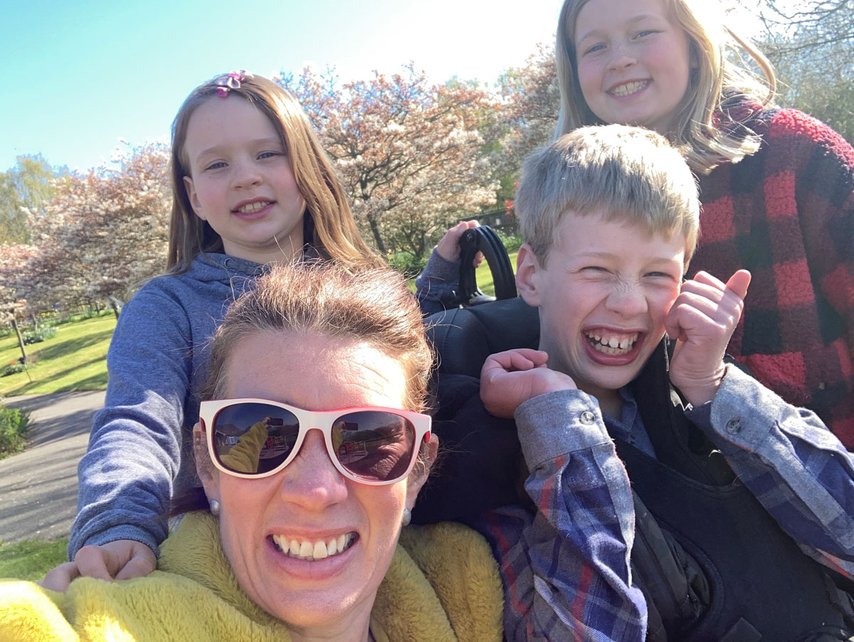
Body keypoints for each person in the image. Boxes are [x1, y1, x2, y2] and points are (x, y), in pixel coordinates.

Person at [418, 125, 854, 640]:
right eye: (598, 269)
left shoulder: (695, 389)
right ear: (531, 276)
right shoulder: (488, 453)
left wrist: (714, 385)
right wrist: (559, 420)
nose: (630, 303)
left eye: (657, 276)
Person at [67, 71, 444, 584]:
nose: (245, 176)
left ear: (307, 166)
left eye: (268, 154)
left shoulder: (372, 289)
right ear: (193, 195)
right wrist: (118, 523)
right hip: (229, 564)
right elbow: (136, 423)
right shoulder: (166, 306)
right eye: (217, 164)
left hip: (369, 553)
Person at [0, 262, 503, 641]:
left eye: (367, 440)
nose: (315, 490)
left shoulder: (466, 587)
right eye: (264, 433)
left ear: (418, 470)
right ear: (205, 464)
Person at [553, 0, 854, 447]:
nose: (620, 59)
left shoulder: (796, 155)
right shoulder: (568, 192)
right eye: (595, 46)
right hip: (659, 487)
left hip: (822, 479)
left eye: (642, 33)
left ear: (694, 44)